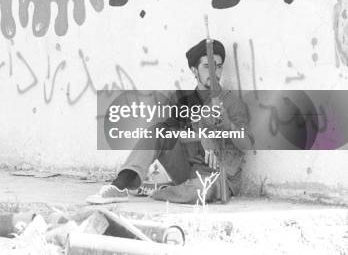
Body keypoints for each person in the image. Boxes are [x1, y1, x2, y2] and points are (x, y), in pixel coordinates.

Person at [86, 39, 253, 205]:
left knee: (201, 192)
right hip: (188, 171)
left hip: (219, 176)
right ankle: (120, 186)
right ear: (195, 70)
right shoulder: (183, 100)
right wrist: (202, 137)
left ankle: (160, 191)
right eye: (207, 66)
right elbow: (168, 134)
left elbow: (246, 144)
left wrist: (229, 126)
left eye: (219, 66)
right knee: (158, 131)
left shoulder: (232, 102)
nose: (215, 72)